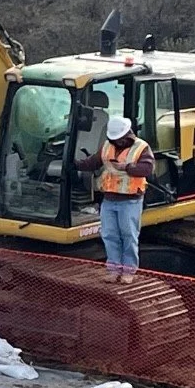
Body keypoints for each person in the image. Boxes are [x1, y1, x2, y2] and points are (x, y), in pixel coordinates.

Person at [76, 107, 154, 281]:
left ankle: (128, 271)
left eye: (118, 140)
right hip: (110, 199)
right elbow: (93, 162)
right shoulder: (107, 146)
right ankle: (113, 269)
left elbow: (147, 168)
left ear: (127, 135)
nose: (115, 142)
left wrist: (127, 167)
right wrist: (76, 164)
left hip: (130, 200)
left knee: (129, 235)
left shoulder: (141, 148)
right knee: (109, 235)